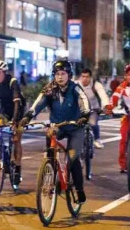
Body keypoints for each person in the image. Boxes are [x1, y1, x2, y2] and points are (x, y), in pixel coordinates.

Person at [20, 60, 91, 203]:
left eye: (63, 74)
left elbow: (84, 101)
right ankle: (51, 168)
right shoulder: (49, 89)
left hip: (75, 127)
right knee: (50, 135)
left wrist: (84, 116)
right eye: (57, 74)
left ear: (69, 75)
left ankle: (79, 190)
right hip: (58, 126)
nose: (60, 77)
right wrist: (28, 116)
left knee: (71, 158)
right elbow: (38, 104)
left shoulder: (75, 88)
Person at [0, 60, 26, 184]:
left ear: (4, 72)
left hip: (17, 110)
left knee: (16, 139)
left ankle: (18, 167)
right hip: (4, 109)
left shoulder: (12, 81)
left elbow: (16, 102)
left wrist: (14, 121)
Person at [78, 68, 109, 150]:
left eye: (87, 77)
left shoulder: (96, 85)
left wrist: (105, 106)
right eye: (83, 76)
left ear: (90, 77)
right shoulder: (76, 85)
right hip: (79, 110)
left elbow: (103, 96)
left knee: (93, 123)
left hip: (93, 110)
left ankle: (97, 139)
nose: (84, 79)